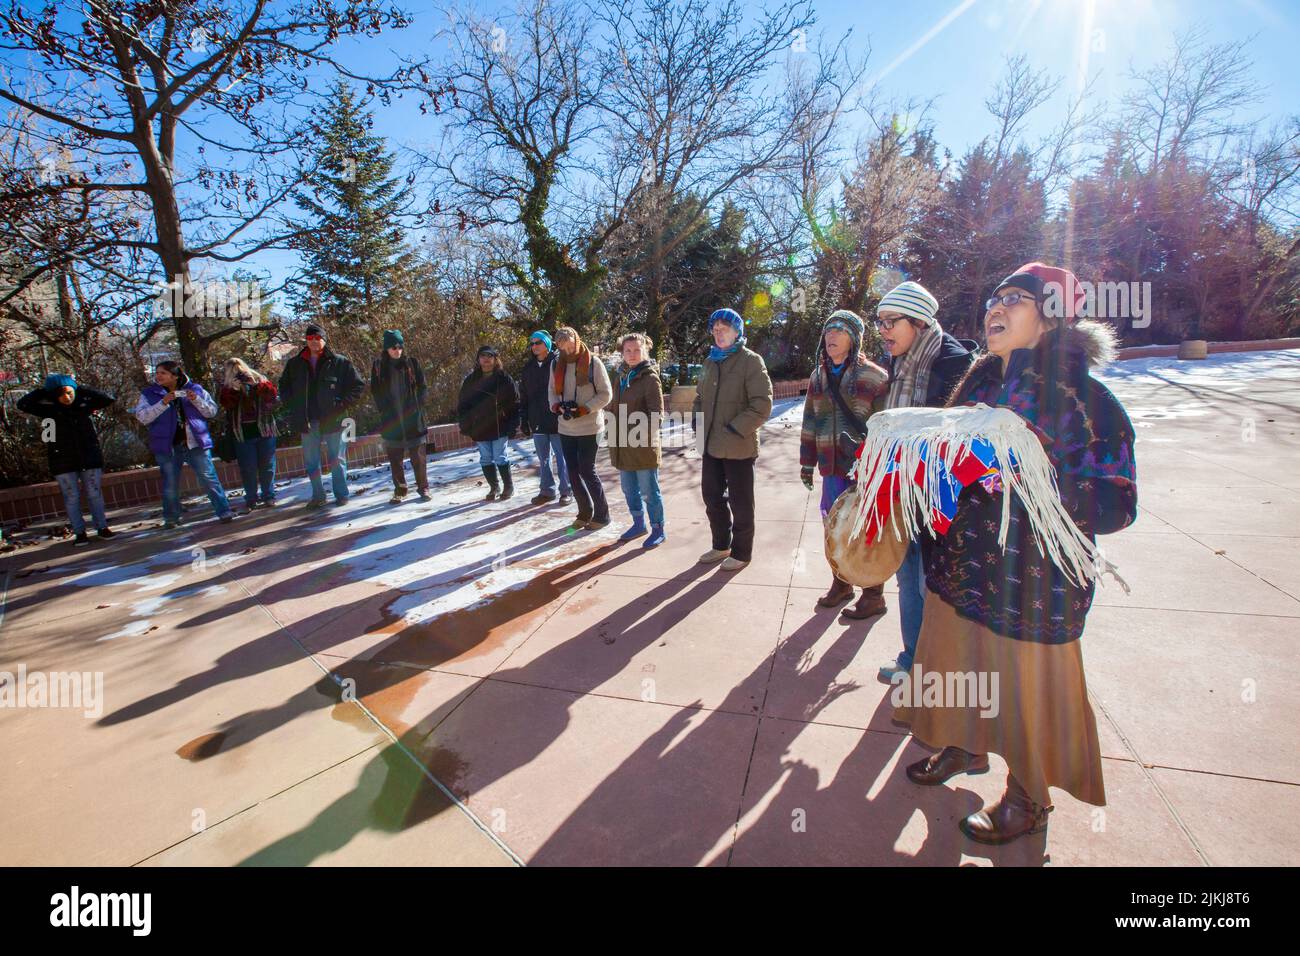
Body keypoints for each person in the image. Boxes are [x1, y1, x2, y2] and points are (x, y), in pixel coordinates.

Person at [893, 262, 1138, 845]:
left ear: (1051, 315)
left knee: (1026, 691)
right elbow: (948, 468)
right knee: (953, 664)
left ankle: (1028, 798)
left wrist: (1028, 477)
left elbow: (1117, 501)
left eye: (1015, 299)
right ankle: (963, 746)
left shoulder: (1084, 397)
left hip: (1034, 581)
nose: (995, 309)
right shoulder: (976, 385)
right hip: (962, 565)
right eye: (993, 298)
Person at [873, 281, 977, 681]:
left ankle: (940, 670)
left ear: (918, 321)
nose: (883, 330)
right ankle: (913, 658)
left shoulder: (950, 361)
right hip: (902, 486)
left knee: (931, 584)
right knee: (907, 576)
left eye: (890, 321)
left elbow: (956, 436)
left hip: (940, 496)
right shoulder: (902, 358)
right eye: (880, 321)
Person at [798, 309, 889, 616]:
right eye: (828, 331)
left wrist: (872, 456)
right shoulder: (818, 376)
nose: (832, 336)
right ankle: (841, 582)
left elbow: (886, 426)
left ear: (854, 338)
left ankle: (873, 592)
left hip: (864, 470)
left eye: (839, 330)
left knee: (866, 528)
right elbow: (810, 421)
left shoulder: (874, 377)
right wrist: (807, 462)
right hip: (830, 466)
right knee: (834, 526)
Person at [692, 308, 773, 571]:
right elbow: (699, 398)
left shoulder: (751, 361)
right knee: (712, 497)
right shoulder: (709, 362)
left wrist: (735, 429)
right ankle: (720, 545)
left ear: (738, 331)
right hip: (710, 445)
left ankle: (741, 552)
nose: (719, 333)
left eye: (724, 328)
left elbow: (762, 404)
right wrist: (697, 421)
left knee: (741, 502)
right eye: (715, 329)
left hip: (739, 445)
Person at [16, 373, 118, 545]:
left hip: (89, 456)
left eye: (70, 392)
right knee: (71, 497)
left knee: (94, 494)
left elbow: (107, 399)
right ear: (53, 395)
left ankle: (102, 527)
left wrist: (78, 386)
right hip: (62, 460)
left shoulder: (83, 405)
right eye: (61, 394)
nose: (67, 397)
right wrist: (44, 391)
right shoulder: (47, 409)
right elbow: (23, 404)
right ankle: (80, 532)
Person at [133, 360, 233, 528]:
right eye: (156, 373)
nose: (158, 376)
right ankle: (171, 518)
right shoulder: (150, 394)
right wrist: (163, 403)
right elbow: (142, 418)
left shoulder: (195, 389)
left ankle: (224, 510)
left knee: (208, 478)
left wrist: (196, 400)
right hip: (167, 446)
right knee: (170, 483)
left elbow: (211, 411)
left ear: (175, 375)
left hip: (195, 443)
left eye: (163, 373)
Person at [278, 323, 365, 509]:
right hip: (307, 421)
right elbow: (284, 388)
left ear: (324, 339)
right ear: (306, 341)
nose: (314, 342)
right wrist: (294, 407)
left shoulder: (340, 362)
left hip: (334, 420)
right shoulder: (295, 364)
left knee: (337, 460)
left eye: (318, 338)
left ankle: (341, 495)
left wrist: (341, 405)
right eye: (310, 338)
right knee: (311, 462)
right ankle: (318, 496)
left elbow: (357, 386)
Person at [547, 327, 612, 530]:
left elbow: (606, 394)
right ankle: (584, 512)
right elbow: (551, 391)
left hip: (590, 426)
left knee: (586, 469)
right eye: (562, 347)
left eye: (570, 345)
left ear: (577, 340)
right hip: (566, 427)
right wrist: (556, 406)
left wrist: (585, 409)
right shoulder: (556, 364)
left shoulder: (594, 362)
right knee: (572, 472)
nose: (567, 351)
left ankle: (602, 515)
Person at [608, 332, 666, 548]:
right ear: (622, 353)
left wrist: (638, 434)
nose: (632, 354)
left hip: (642, 446)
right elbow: (613, 408)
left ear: (645, 351)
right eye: (627, 350)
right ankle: (638, 523)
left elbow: (656, 414)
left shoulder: (650, 377)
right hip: (621, 445)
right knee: (628, 490)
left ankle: (658, 528)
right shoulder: (620, 377)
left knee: (649, 491)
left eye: (636, 350)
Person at [370, 330, 430, 504]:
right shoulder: (378, 366)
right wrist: (383, 409)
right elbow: (375, 390)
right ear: (386, 348)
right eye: (393, 347)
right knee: (395, 458)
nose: (397, 350)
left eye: (399, 346)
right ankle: (400, 490)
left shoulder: (412, 363)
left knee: (418, 458)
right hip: (391, 420)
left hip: (413, 418)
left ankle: (423, 488)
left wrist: (418, 405)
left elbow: (422, 386)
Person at [457, 345, 520, 501]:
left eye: (489, 356)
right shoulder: (470, 381)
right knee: (485, 458)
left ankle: (508, 486)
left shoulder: (504, 378)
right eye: (483, 356)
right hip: (480, 427)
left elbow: (515, 402)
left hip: (500, 425)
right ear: (478, 359)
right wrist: (466, 425)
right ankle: (494, 487)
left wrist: (513, 424)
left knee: (500, 457)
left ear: (495, 358)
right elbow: (463, 405)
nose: (486, 359)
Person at [218, 357, 280, 514]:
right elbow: (225, 404)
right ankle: (251, 498)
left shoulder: (259, 380)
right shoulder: (227, 388)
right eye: (233, 372)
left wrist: (256, 385)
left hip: (265, 430)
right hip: (242, 433)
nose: (239, 374)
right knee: (248, 468)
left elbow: (273, 398)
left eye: (240, 370)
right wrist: (234, 390)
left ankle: (269, 495)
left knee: (267, 466)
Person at [519, 330, 571, 506]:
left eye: (538, 343)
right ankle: (547, 490)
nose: (534, 346)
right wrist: (524, 419)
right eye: (532, 343)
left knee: (562, 457)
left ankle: (566, 491)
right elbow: (524, 396)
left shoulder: (558, 363)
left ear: (547, 344)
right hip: (537, 421)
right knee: (544, 459)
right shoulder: (527, 368)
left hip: (557, 420)